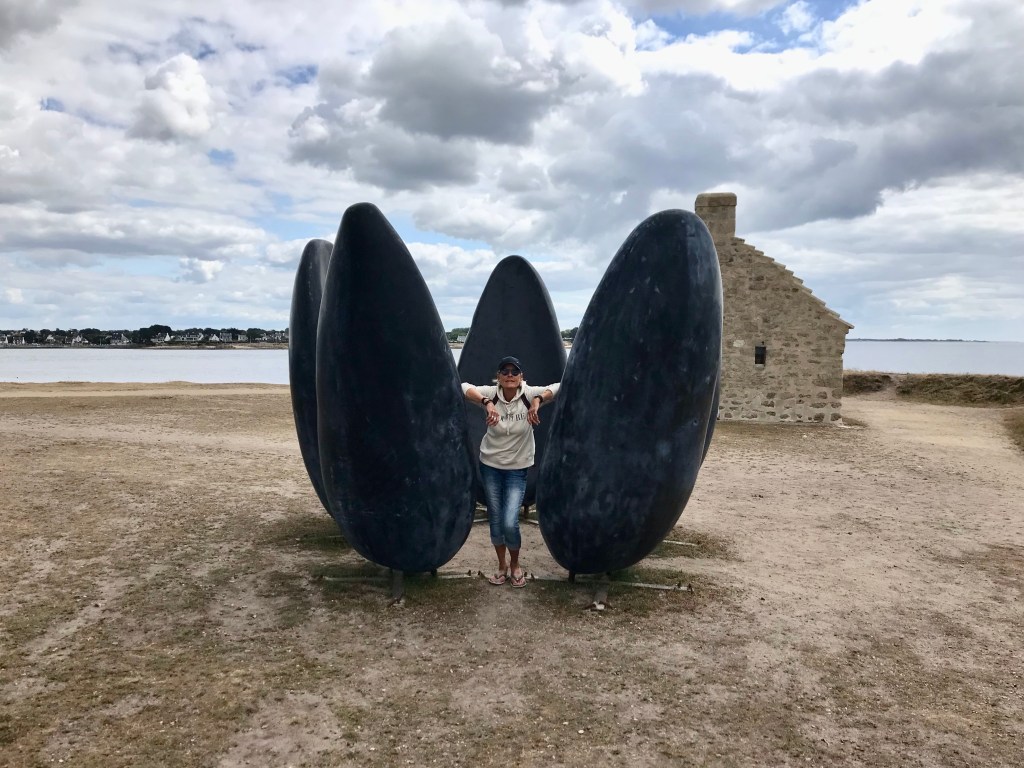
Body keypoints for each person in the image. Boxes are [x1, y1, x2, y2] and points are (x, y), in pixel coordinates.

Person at [462, 356, 559, 588]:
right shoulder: (491, 393)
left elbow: (559, 386)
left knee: (509, 521)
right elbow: (463, 387)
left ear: (521, 376)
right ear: (498, 377)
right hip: (490, 466)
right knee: (496, 520)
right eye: (504, 372)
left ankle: (515, 565)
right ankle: (501, 566)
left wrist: (538, 400)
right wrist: (486, 402)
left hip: (516, 468)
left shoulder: (528, 394)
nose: (509, 375)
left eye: (514, 372)